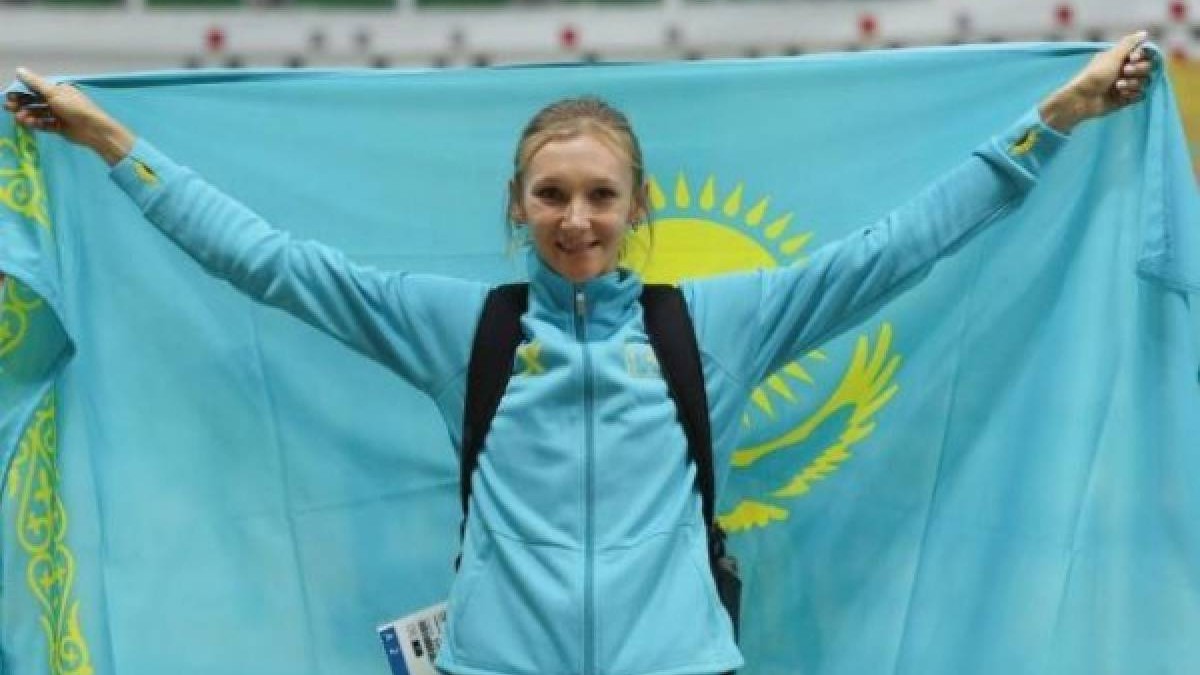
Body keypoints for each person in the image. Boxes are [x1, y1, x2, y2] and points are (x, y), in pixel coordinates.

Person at [5, 33, 1153, 675]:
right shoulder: (459, 327)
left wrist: (1053, 120)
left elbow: (899, 247)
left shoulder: (718, 325)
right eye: (552, 194)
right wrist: (111, 142)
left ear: (638, 206)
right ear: (517, 204)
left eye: (601, 195)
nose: (576, 219)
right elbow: (267, 263)